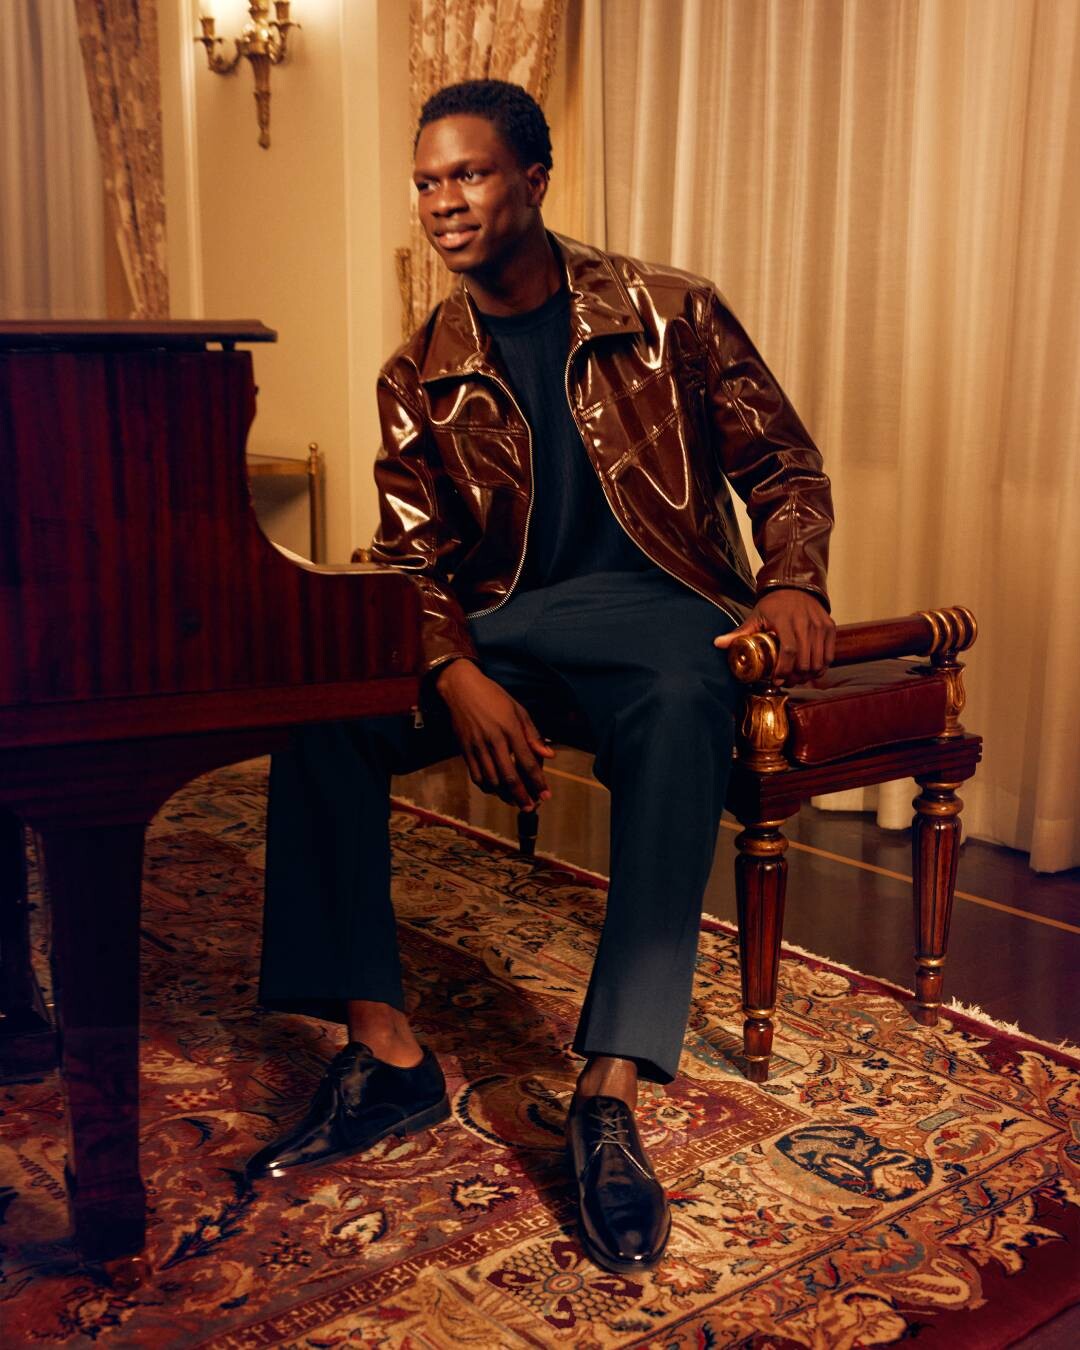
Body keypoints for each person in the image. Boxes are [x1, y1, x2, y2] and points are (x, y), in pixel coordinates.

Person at [248, 79, 835, 1276]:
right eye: (426, 181)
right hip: (512, 630)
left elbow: (784, 467)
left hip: (667, 613)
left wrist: (795, 584)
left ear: (534, 181)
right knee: (322, 713)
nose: (443, 202)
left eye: (467, 174)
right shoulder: (421, 370)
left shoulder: (669, 311)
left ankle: (609, 1087)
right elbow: (411, 560)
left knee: (683, 703)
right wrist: (453, 669)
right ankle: (388, 1055)